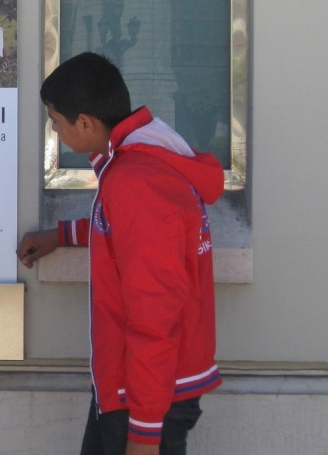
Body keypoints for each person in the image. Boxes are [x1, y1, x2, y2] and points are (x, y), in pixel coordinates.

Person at [17, 53, 223, 455]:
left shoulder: (136, 182)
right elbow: (126, 236)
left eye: (56, 121)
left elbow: (154, 311)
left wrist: (145, 435)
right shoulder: (144, 163)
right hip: (137, 388)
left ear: (86, 123)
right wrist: (61, 234)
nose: (55, 132)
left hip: (144, 398)